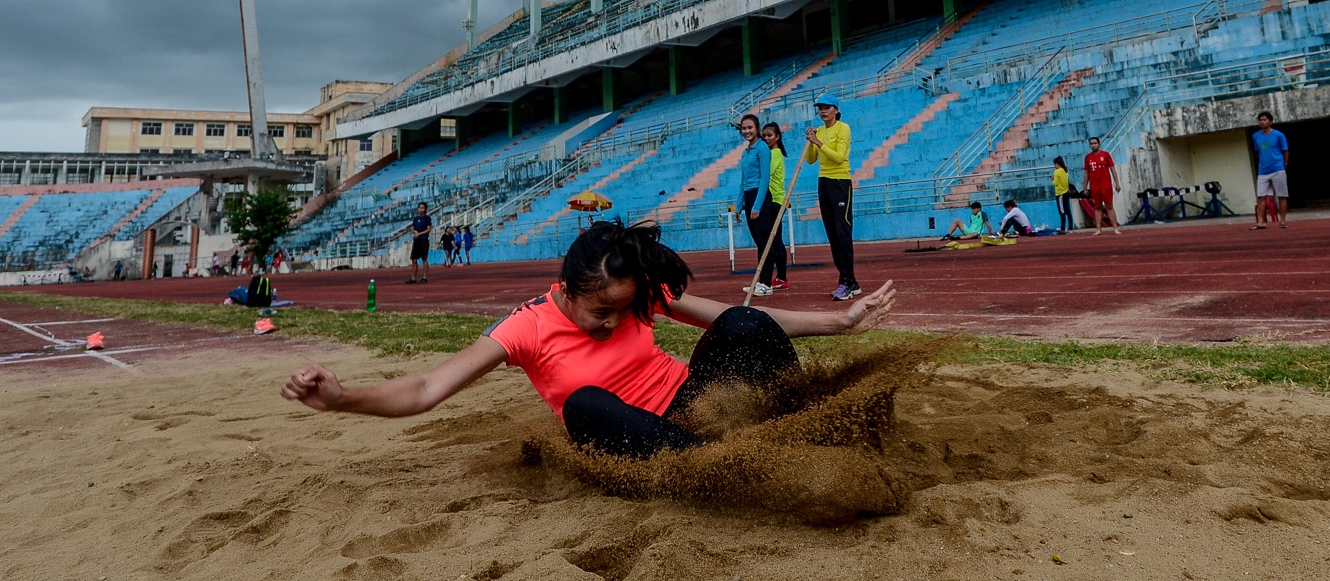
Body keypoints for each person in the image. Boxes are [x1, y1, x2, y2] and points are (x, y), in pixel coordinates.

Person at [282, 220, 897, 460]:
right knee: (582, 405)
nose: (613, 322)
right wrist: (341, 397)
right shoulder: (525, 326)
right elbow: (424, 388)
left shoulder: (636, 293)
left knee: (740, 322)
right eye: (602, 312)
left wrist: (839, 322)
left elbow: (736, 320)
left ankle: (809, 426)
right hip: (635, 435)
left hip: (698, 404)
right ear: (568, 289)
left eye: (624, 311)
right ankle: (725, 466)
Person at [805, 92, 857, 300]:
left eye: (827, 107)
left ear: (836, 110)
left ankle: (848, 281)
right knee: (832, 233)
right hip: (824, 182)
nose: (823, 111)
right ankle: (847, 279)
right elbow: (810, 160)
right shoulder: (819, 131)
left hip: (840, 182)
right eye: (820, 108)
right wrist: (811, 142)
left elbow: (839, 157)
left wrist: (818, 142)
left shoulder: (843, 128)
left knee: (842, 231)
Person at [735, 113, 775, 298]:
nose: (747, 131)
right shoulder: (746, 152)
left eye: (750, 127)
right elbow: (743, 181)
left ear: (757, 129)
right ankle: (760, 281)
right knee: (759, 241)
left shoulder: (762, 148)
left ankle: (766, 283)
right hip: (749, 197)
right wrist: (739, 205)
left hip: (761, 197)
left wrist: (757, 206)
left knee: (765, 241)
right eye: (744, 128)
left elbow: (765, 179)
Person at [758, 121, 790, 290]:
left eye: (769, 135)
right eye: (764, 135)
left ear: (777, 137)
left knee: (775, 239)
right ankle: (779, 277)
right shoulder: (771, 153)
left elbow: (765, 173)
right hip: (772, 200)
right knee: (774, 238)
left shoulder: (775, 154)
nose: (766, 138)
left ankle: (782, 277)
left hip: (775, 200)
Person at [1251, 111, 1290, 229]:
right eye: (1260, 120)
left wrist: (1285, 163)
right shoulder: (1255, 136)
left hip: (1277, 168)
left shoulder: (1279, 135)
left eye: (1265, 120)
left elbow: (1285, 150)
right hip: (1263, 170)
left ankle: (1282, 220)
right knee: (1261, 196)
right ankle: (1261, 222)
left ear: (1270, 121)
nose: (1262, 122)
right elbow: (1258, 150)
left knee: (1282, 195)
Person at [1083, 137, 1121, 235]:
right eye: (1091, 144)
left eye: (1095, 143)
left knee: (1109, 206)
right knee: (1097, 207)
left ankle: (1115, 228)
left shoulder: (1106, 155)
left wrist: (1117, 183)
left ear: (1099, 144)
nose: (1093, 145)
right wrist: (1085, 187)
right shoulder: (1088, 157)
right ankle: (1098, 229)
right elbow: (1086, 173)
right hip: (1094, 186)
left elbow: (1113, 169)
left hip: (1106, 185)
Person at [408, 202, 432, 284]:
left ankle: (424, 277)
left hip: (424, 240)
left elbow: (428, 229)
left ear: (425, 209)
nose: (421, 209)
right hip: (416, 241)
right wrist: (415, 232)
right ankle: (413, 278)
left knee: (424, 258)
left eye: (422, 208)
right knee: (414, 259)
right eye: (420, 208)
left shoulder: (427, 218)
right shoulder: (415, 219)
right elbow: (413, 228)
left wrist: (419, 234)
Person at [1052, 156, 1076, 233]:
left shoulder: (1056, 172)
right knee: (1068, 210)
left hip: (1060, 193)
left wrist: (1052, 180)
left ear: (1057, 164)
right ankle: (1070, 226)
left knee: (1062, 211)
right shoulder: (1065, 171)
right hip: (1066, 192)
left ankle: (1062, 228)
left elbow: (1055, 183)